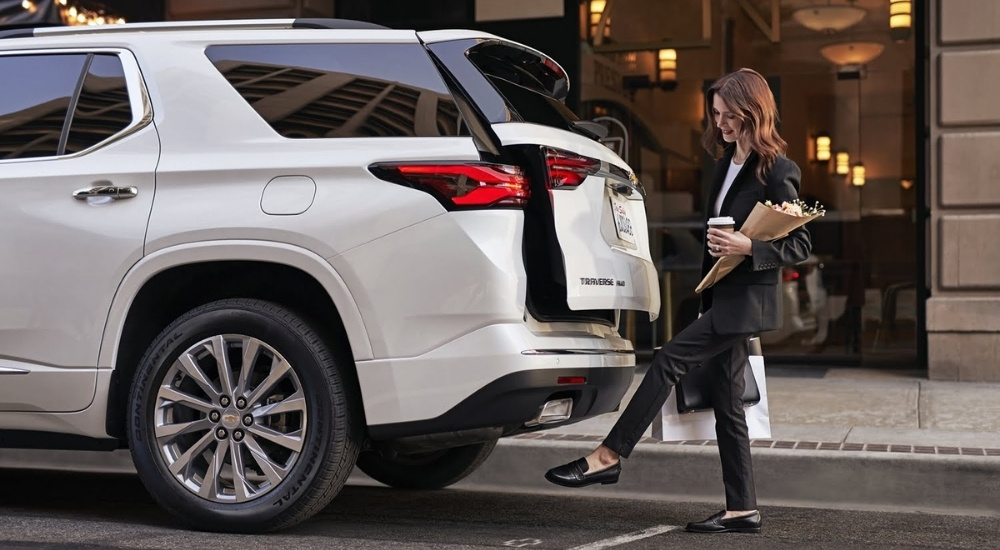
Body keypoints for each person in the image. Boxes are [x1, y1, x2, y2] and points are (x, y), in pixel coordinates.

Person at [544, 68, 812, 534]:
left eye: (730, 115)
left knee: (668, 359)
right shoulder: (724, 166)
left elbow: (801, 245)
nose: (722, 124)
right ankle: (742, 509)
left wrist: (747, 248)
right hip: (720, 297)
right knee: (728, 406)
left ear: (753, 112)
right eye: (717, 114)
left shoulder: (778, 169)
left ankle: (608, 456)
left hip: (745, 303)